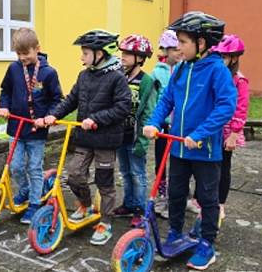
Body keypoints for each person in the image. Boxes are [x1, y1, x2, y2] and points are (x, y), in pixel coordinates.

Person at [144, 12, 237, 270]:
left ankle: (207, 244)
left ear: (202, 43)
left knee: (207, 199)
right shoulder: (182, 68)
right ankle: (175, 232)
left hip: (204, 150)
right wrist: (153, 122)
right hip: (178, 147)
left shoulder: (217, 70)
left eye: (183, 42)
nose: (177, 47)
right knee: (176, 193)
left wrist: (199, 134)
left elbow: (226, 106)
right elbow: (167, 100)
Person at [38, 30, 131, 246]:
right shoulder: (84, 75)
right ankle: (86, 205)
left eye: (85, 53)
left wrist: (97, 119)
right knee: (74, 174)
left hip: (106, 139)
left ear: (100, 54)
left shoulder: (117, 77)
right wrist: (54, 115)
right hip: (85, 137)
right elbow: (71, 99)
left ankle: (106, 222)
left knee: (104, 182)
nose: (82, 57)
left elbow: (122, 107)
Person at [0, 27, 63, 224]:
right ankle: (25, 190)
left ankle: (34, 203)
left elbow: (57, 100)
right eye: (18, 54)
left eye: (26, 53)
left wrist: (49, 116)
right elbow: (5, 91)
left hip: (36, 131)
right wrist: (3, 107)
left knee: (34, 168)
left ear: (37, 49)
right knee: (15, 166)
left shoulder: (48, 73)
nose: (22, 57)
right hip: (15, 128)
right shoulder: (13, 69)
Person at [112, 34, 157, 227]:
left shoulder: (147, 81)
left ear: (140, 58)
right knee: (125, 172)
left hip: (135, 136)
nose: (123, 57)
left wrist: (143, 141)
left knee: (138, 174)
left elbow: (148, 111)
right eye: (122, 53)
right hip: (120, 135)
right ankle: (128, 204)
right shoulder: (120, 76)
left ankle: (140, 209)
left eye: (128, 54)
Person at [210, 35, 249, 222]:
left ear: (233, 58)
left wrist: (234, 133)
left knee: (223, 167)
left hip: (226, 130)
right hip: (210, 128)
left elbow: (241, 109)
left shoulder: (239, 81)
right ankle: (202, 200)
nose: (219, 61)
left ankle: (220, 204)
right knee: (207, 166)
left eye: (223, 57)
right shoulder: (214, 76)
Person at [150, 30, 182, 219]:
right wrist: (156, 122)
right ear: (167, 50)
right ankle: (162, 195)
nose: (179, 52)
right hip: (162, 125)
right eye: (175, 49)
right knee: (161, 161)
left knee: (179, 163)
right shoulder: (157, 73)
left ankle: (177, 197)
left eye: (180, 48)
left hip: (180, 125)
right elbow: (155, 100)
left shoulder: (183, 69)